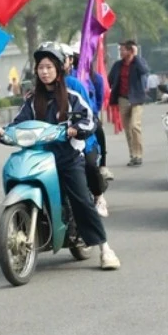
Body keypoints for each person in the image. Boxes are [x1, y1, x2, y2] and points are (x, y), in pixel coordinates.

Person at [0, 43, 120, 270]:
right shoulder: (32, 101)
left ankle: (105, 248)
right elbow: (18, 123)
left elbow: (89, 119)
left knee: (82, 199)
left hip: (67, 158)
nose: (44, 72)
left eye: (49, 67)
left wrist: (76, 128)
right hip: (39, 157)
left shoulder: (72, 97)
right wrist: (3, 132)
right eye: (41, 67)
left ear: (60, 69)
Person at [62, 44, 109, 217]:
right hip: (55, 137)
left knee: (89, 163)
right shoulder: (38, 89)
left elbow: (89, 109)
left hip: (81, 133)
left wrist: (78, 125)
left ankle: (99, 195)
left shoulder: (80, 81)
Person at [107, 40, 149, 167]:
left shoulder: (138, 62)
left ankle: (139, 154)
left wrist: (136, 56)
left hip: (136, 99)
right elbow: (110, 79)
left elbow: (144, 71)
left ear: (130, 51)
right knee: (128, 129)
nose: (121, 52)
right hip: (122, 99)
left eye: (123, 50)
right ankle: (133, 155)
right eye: (120, 50)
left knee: (135, 125)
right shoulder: (118, 65)